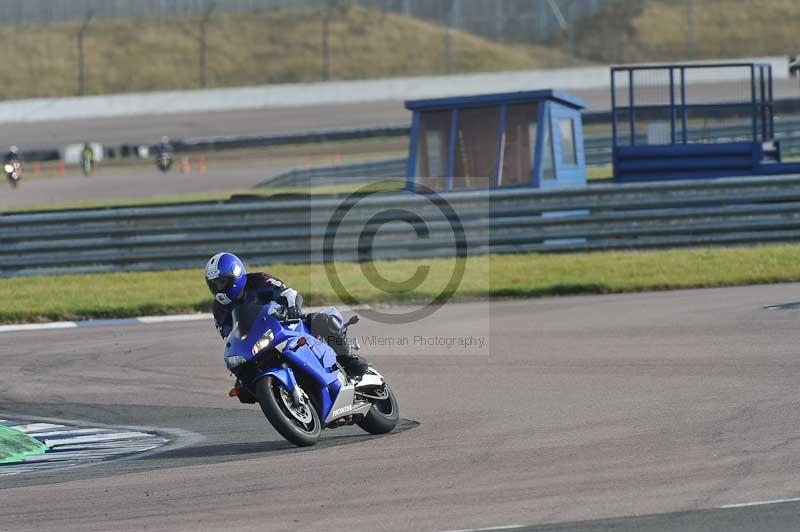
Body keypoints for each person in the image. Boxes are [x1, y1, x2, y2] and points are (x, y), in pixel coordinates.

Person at [205, 252, 370, 381]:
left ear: (236, 274)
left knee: (325, 320)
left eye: (222, 282)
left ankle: (348, 359)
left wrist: (292, 308)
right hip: (260, 343)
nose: (219, 288)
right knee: (243, 386)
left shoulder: (259, 280)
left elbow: (288, 293)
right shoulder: (219, 308)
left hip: (286, 325)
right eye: (214, 284)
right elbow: (229, 337)